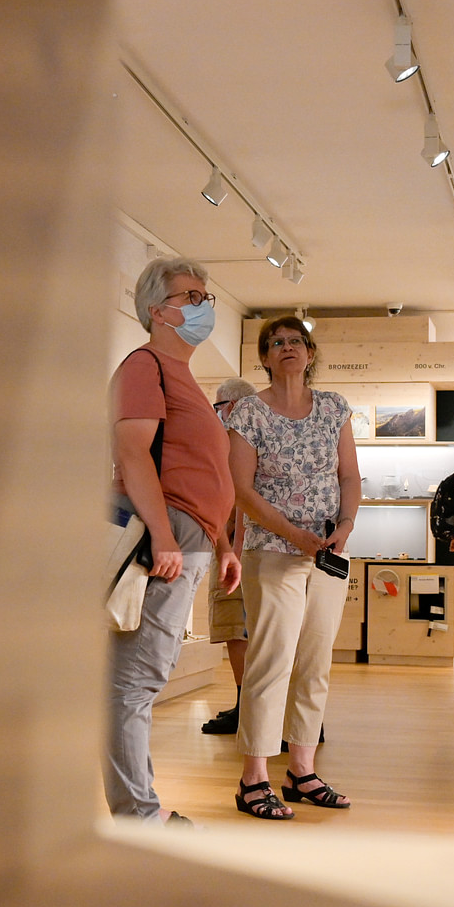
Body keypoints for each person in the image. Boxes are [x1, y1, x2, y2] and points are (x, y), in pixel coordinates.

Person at [105, 257, 241, 826]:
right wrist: (164, 536)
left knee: (141, 677)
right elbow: (133, 453)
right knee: (135, 680)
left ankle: (140, 809)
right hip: (167, 535)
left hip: (191, 536)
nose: (205, 306)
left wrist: (224, 544)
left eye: (207, 297)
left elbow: (204, 470)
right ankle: (138, 815)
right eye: (192, 297)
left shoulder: (183, 377)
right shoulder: (145, 366)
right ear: (157, 311)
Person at [224, 315, 360, 820]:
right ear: (264, 357)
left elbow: (350, 476)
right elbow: (241, 490)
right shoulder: (248, 412)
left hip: (327, 554)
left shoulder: (334, 408)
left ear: (310, 352)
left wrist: (345, 525)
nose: (287, 347)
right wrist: (292, 534)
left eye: (296, 341)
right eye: (276, 342)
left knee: (315, 660)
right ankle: (253, 779)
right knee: (271, 661)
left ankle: (302, 771)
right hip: (272, 553)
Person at [200, 376, 257, 735]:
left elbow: (239, 498)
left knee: (238, 628)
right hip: (243, 546)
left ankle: (247, 710)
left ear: (231, 406)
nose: (216, 413)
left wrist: (232, 548)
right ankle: (247, 706)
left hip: (238, 548)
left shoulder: (237, 440)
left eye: (218, 406)